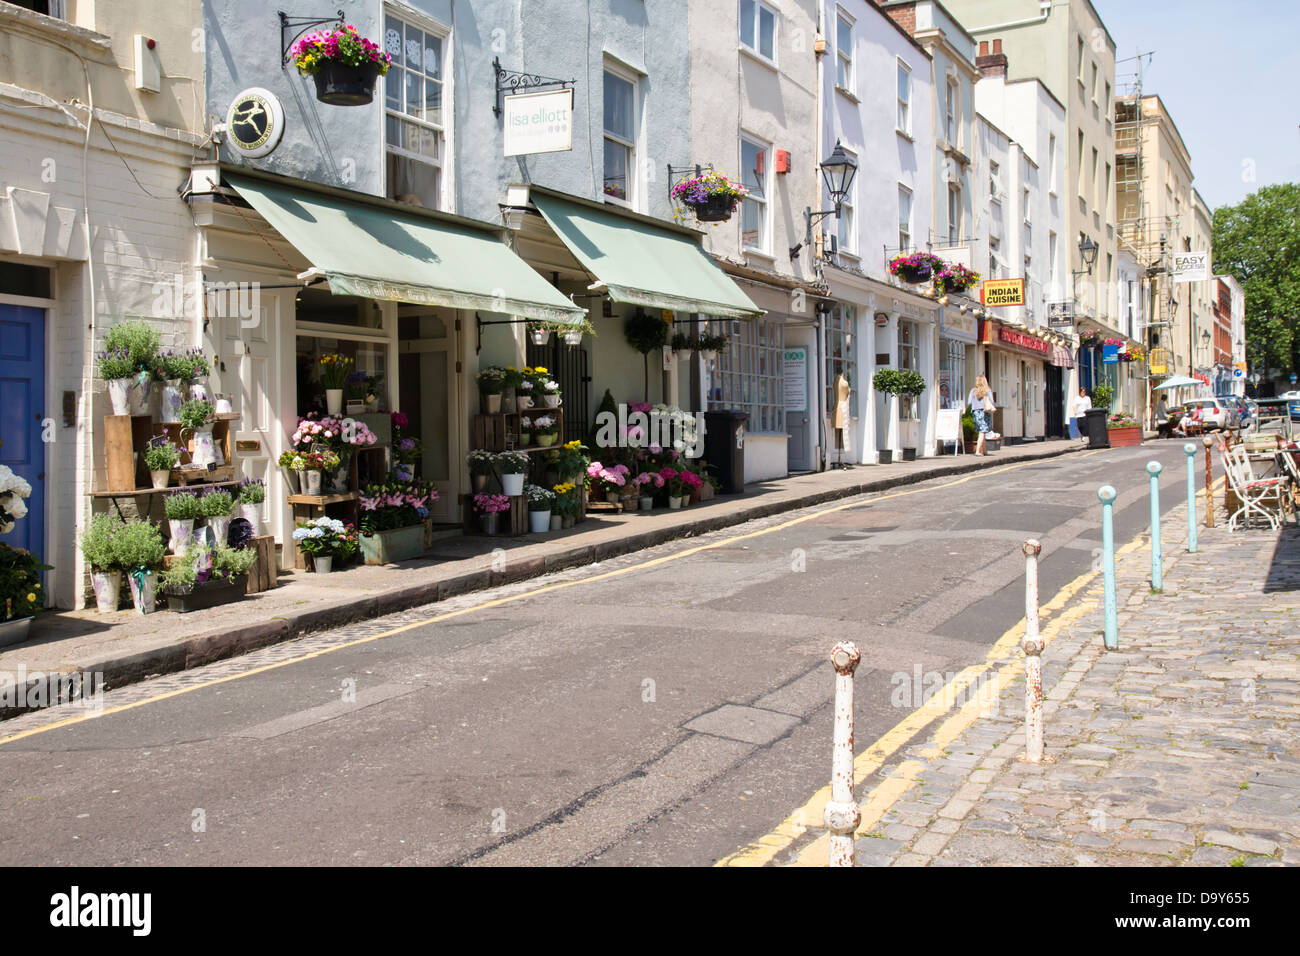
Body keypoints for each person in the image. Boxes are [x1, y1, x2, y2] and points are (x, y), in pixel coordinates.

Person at [968, 375, 995, 456]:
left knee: (981, 431)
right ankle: (978, 451)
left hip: (975, 412)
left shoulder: (973, 391)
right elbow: (992, 401)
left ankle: (985, 451)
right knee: (982, 432)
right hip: (984, 412)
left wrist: (975, 404)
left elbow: (969, 402)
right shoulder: (987, 390)